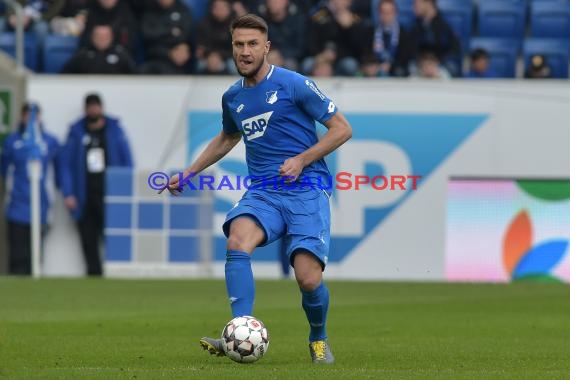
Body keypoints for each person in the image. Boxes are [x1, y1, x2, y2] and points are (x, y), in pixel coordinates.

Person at [162, 14, 352, 363]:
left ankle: (319, 338)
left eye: (252, 44)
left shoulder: (294, 84)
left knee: (308, 279)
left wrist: (302, 160)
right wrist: (189, 173)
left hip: (306, 188)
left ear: (267, 47)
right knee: (237, 240)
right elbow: (228, 137)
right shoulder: (232, 96)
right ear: (232, 47)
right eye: (239, 44)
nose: (245, 51)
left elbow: (341, 128)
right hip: (264, 191)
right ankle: (238, 331)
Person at [60, 93, 133, 276]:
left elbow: (127, 161)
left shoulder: (114, 130)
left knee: (113, 235)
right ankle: (93, 274)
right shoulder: (76, 132)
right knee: (88, 238)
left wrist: (125, 189)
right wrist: (68, 193)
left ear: (101, 107)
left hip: (109, 192)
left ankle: (116, 272)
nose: (94, 110)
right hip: (84, 193)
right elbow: (65, 165)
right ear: (86, 109)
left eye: (96, 106)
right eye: (90, 106)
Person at [0, 103, 62, 275]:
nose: (31, 119)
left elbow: (57, 171)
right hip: (17, 205)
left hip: (41, 205)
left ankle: (34, 277)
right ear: (22, 116)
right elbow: (5, 170)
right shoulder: (12, 141)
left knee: (36, 250)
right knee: (17, 251)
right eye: (27, 115)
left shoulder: (50, 141)